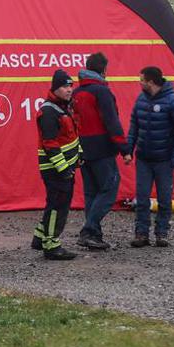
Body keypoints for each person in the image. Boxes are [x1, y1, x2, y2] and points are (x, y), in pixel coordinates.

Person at [70, 51, 129, 251]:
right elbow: (111, 122)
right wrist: (124, 148)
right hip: (102, 149)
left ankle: (94, 235)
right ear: (104, 69)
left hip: (83, 149)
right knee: (109, 189)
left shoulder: (77, 93)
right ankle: (88, 230)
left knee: (91, 192)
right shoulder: (102, 92)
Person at [126, 66, 174, 248]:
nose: (140, 83)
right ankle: (141, 234)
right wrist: (128, 150)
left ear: (151, 82)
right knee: (142, 198)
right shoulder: (141, 100)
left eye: (142, 80)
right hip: (144, 158)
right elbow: (134, 128)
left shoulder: (173, 101)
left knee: (164, 198)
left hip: (164, 160)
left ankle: (162, 233)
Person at [33, 69, 80, 261]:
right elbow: (50, 144)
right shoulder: (49, 112)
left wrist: (79, 155)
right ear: (55, 88)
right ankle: (51, 245)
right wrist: (63, 169)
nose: (69, 90)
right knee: (57, 206)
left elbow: (70, 136)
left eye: (70, 85)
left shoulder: (63, 107)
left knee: (56, 203)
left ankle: (39, 237)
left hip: (64, 168)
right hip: (55, 170)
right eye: (64, 86)